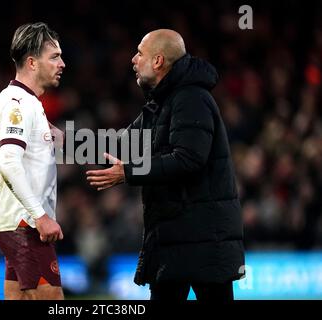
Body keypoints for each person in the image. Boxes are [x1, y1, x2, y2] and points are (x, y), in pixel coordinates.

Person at [86, 29, 245, 301]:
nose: (133, 60)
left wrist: (128, 173)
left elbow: (188, 159)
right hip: (173, 240)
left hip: (202, 241)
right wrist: (64, 142)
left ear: (158, 61)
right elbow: (120, 144)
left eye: (140, 53)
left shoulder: (191, 98)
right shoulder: (161, 103)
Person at [0, 22, 66, 300]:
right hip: (26, 226)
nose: (62, 64)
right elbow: (10, 164)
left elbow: (62, 142)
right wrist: (41, 216)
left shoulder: (29, 103)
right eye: (55, 56)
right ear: (32, 62)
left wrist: (134, 152)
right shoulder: (16, 104)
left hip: (19, 224)